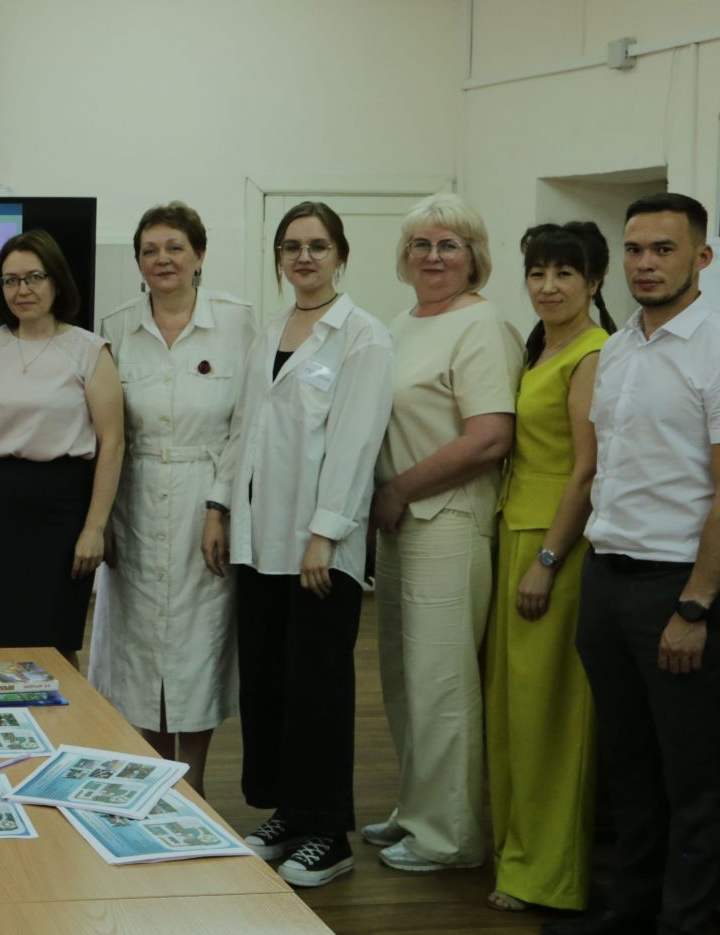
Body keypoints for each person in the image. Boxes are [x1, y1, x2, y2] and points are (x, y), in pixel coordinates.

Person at [544, 194, 720, 935]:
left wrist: (696, 605)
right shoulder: (617, 350)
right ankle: (630, 910)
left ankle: (684, 923)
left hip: (676, 589)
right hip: (608, 579)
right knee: (630, 767)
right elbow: (612, 469)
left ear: (701, 258)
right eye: (636, 249)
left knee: (693, 779)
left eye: (664, 250)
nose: (647, 263)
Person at [215, 201, 394, 888]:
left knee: (318, 687)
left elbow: (355, 444)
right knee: (270, 682)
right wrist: (219, 506)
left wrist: (325, 532)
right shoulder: (270, 332)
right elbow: (245, 431)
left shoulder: (363, 338)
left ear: (340, 254)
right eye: (291, 247)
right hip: (260, 543)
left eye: (317, 246)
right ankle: (288, 812)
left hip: (321, 550)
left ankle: (330, 830)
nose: (304, 258)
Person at [366, 192, 522, 872]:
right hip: (400, 524)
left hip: (447, 520)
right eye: (422, 245)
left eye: (448, 245)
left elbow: (490, 437)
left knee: (443, 684)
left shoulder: (481, 326)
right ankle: (415, 809)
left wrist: (399, 488)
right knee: (404, 680)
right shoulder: (404, 321)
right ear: (404, 257)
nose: (433, 257)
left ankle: (449, 835)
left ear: (474, 257)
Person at [87, 202, 251, 794]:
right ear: (137, 261)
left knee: (197, 645)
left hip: (205, 505)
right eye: (151, 250)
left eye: (175, 248)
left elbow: (244, 428)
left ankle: (195, 788)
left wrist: (221, 506)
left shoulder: (239, 324)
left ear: (200, 256)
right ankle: (153, 782)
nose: (163, 259)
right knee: (136, 646)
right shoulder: (117, 326)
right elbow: (104, 431)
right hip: (133, 502)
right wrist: (99, 516)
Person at [483, 222, 615, 915]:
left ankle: (548, 874)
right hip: (515, 527)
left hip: (553, 543)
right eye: (538, 272)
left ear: (594, 282)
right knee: (510, 711)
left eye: (566, 273)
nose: (549, 285)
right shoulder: (543, 345)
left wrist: (547, 559)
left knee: (549, 718)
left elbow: (587, 469)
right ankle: (512, 847)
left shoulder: (592, 353)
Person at [0, 230, 125, 667]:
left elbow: (113, 442)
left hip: (63, 506)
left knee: (55, 640)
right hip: (3, 501)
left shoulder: (88, 349)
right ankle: (3, 731)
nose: (22, 290)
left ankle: (59, 730)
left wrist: (94, 527)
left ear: (56, 282)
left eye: (33, 277)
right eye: (10, 280)